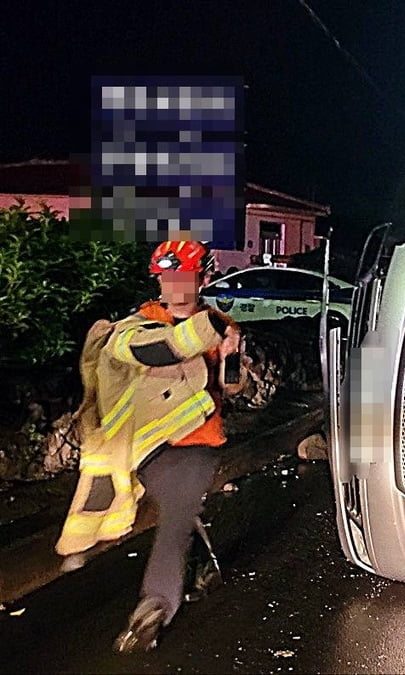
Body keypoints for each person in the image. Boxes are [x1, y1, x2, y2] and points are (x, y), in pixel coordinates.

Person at [56, 240, 241, 652]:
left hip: (200, 442)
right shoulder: (134, 327)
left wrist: (230, 349)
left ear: (203, 278)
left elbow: (230, 386)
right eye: (165, 277)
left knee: (177, 516)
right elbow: (159, 348)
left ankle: (156, 603)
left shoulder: (218, 322)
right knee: (180, 515)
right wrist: (214, 332)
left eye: (182, 277)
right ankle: (183, 583)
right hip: (150, 449)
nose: (173, 285)